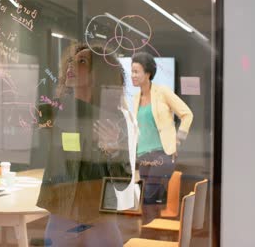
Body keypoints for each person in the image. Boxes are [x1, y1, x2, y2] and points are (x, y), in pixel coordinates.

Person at [35, 44, 136, 247]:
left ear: (99, 73)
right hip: (62, 210)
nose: (71, 65)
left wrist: (113, 150)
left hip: (99, 215)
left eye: (82, 61)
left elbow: (122, 181)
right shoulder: (54, 110)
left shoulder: (114, 118)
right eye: (72, 60)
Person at [131, 52, 193, 223]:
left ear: (148, 73)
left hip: (162, 154)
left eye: (136, 71)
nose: (132, 75)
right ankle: (155, 234)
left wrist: (178, 140)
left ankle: (148, 235)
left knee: (149, 198)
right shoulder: (136, 98)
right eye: (132, 71)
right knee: (152, 198)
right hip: (143, 156)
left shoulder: (163, 92)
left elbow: (187, 114)